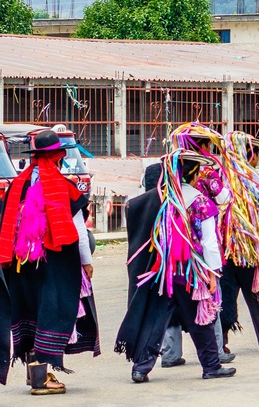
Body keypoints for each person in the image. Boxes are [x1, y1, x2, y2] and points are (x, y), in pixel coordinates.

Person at [116, 149, 235, 382]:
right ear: (192, 172)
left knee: (156, 319)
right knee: (201, 319)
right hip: (191, 272)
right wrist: (213, 275)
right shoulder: (200, 202)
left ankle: (140, 368)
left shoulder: (157, 198)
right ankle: (211, 366)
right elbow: (210, 243)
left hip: (162, 270)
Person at [0, 129, 99, 396]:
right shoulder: (60, 185)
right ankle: (42, 381)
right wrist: (86, 262)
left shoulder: (17, 184)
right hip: (53, 263)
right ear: (57, 155)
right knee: (50, 313)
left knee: (29, 314)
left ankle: (36, 376)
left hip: (21, 264)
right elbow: (78, 231)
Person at [217, 132, 259, 352]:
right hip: (249, 251)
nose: (258, 158)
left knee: (224, 296)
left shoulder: (216, 179)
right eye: (256, 153)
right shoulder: (255, 182)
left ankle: (221, 343)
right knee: (258, 293)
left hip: (223, 250)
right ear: (248, 154)